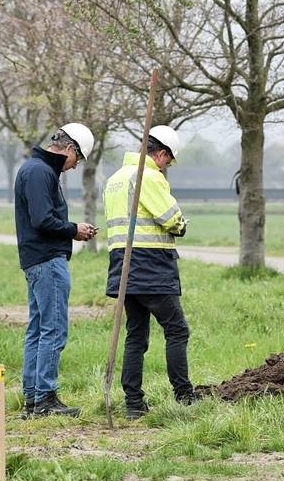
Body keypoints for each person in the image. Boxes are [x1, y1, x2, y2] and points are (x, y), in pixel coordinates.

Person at [103, 125, 196, 419]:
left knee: (136, 335)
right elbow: (172, 220)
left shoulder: (115, 179)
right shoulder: (149, 176)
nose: (168, 166)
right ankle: (184, 397)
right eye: (169, 160)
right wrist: (183, 224)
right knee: (177, 330)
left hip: (123, 265)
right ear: (162, 153)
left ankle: (133, 403)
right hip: (152, 265)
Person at [15, 124, 97, 418]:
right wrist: (74, 230)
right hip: (48, 261)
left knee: (38, 330)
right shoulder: (40, 173)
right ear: (70, 149)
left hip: (38, 260)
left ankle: (34, 399)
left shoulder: (35, 169)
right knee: (53, 329)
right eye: (79, 159)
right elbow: (43, 220)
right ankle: (45, 401)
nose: (75, 167)